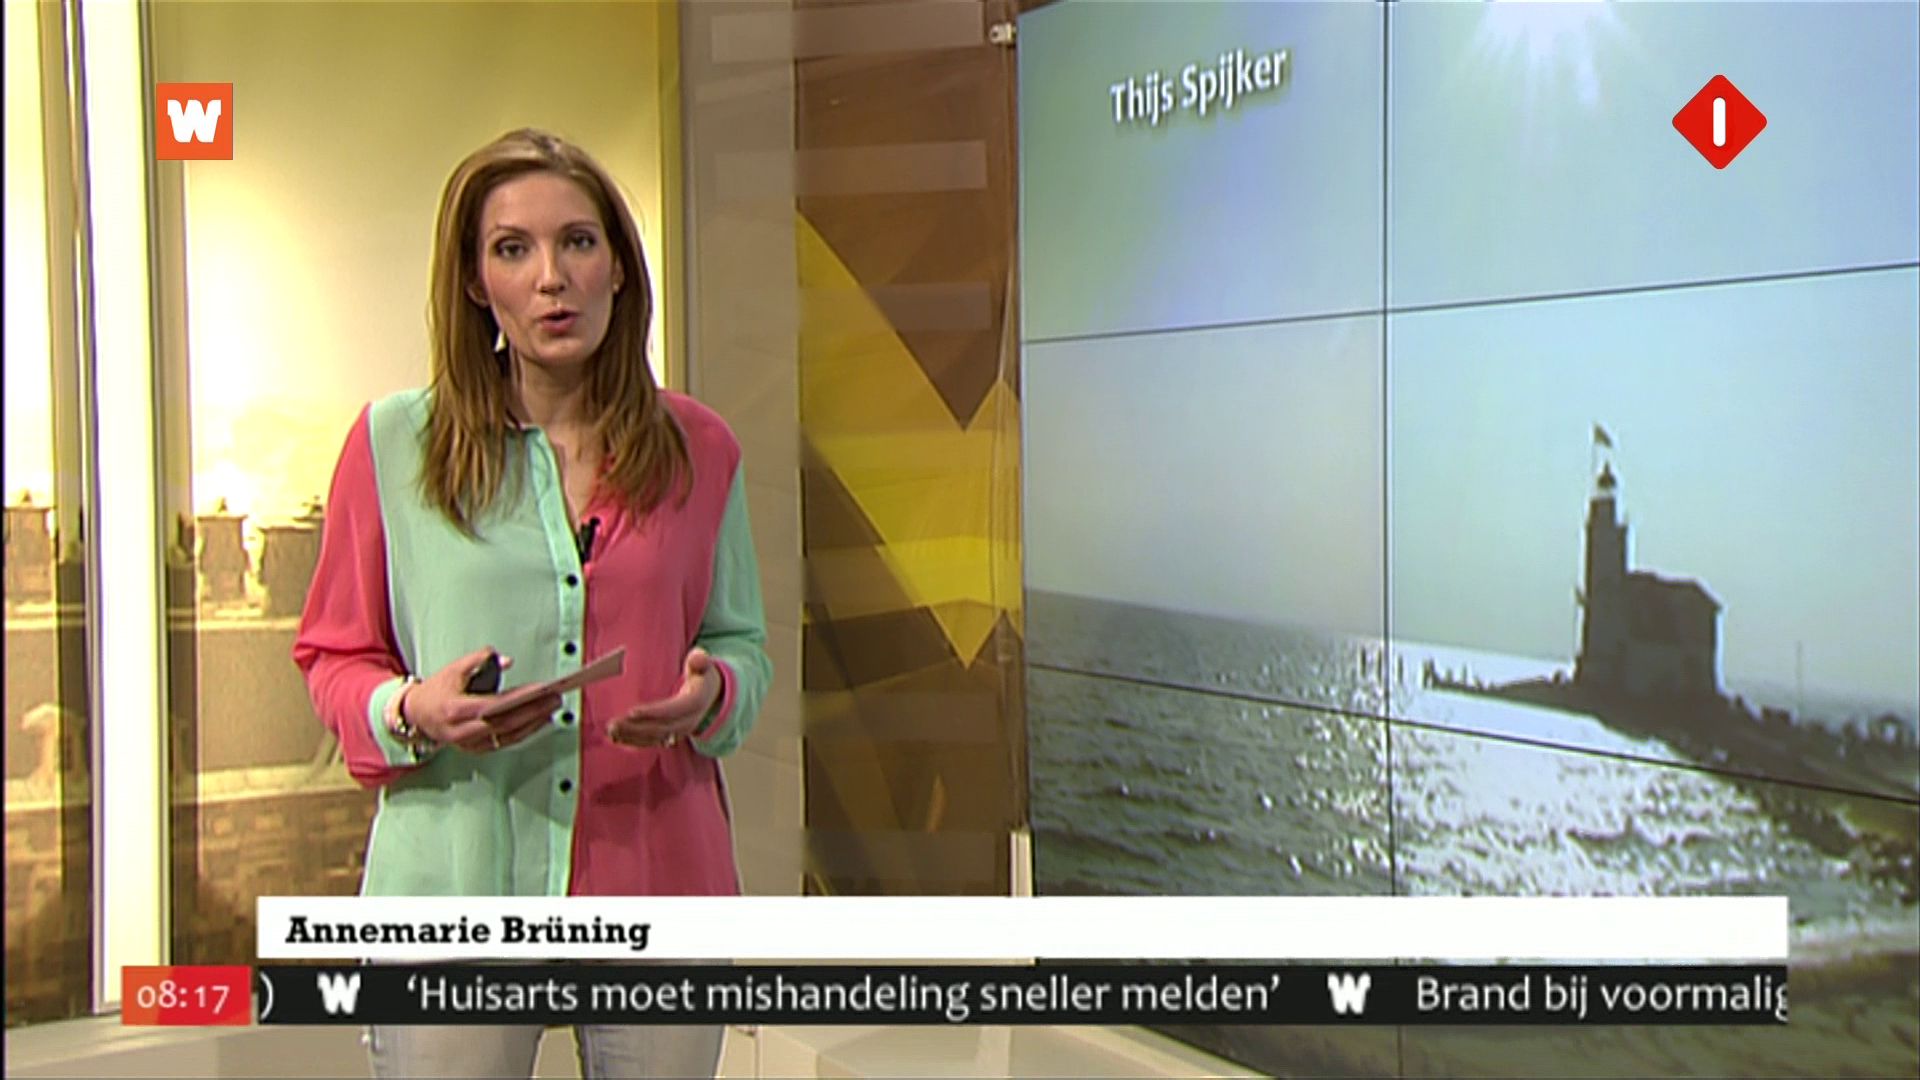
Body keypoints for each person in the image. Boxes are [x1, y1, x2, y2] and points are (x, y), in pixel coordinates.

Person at [292, 128, 770, 1079]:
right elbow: (334, 657)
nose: (553, 278)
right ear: (476, 283)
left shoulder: (700, 448)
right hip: (452, 902)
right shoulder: (393, 445)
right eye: (514, 249)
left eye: (578, 242)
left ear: (619, 268)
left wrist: (711, 692)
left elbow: (742, 644)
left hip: (657, 891)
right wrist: (411, 709)